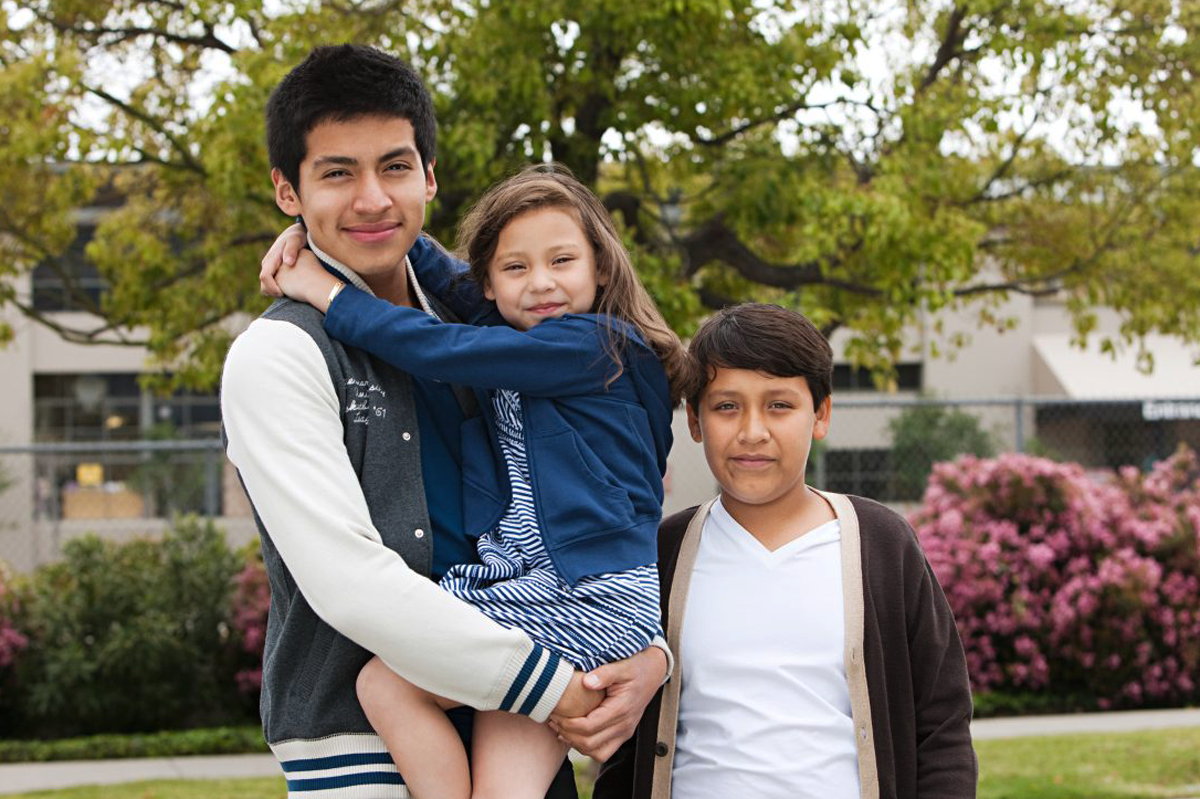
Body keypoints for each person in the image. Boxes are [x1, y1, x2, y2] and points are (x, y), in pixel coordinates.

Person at [222, 44, 667, 799]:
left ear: (429, 176)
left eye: (395, 168)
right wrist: (559, 686)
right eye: (336, 173)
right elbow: (350, 584)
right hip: (370, 756)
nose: (371, 199)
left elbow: (609, 504)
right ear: (286, 190)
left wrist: (646, 649)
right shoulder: (278, 354)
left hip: (521, 725)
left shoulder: (500, 336)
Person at [590, 303, 978, 799]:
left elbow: (942, 721)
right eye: (726, 406)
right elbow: (627, 740)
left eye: (779, 405)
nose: (752, 431)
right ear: (694, 420)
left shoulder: (881, 543)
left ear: (821, 414)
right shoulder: (663, 552)